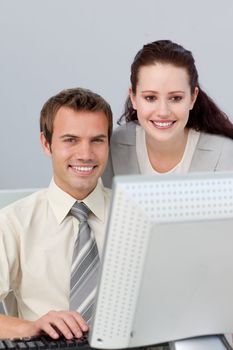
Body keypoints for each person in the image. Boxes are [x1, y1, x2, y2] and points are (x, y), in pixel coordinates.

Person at [0, 87, 112, 339]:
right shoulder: (12, 223)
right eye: (70, 140)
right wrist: (28, 327)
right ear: (46, 143)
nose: (85, 154)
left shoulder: (139, 217)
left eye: (97, 140)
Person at [102, 40, 233, 188]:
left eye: (176, 98)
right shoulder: (109, 148)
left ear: (192, 98)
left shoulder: (225, 154)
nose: (163, 112)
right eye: (150, 98)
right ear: (133, 98)